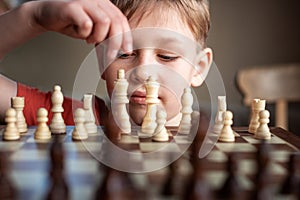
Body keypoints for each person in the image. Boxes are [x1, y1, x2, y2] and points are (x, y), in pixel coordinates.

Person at [0, 0, 212, 127]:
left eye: (166, 56)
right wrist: (33, 16)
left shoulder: (213, 137)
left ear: (199, 68)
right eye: (124, 53)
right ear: (102, 61)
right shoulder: (77, 118)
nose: (143, 72)